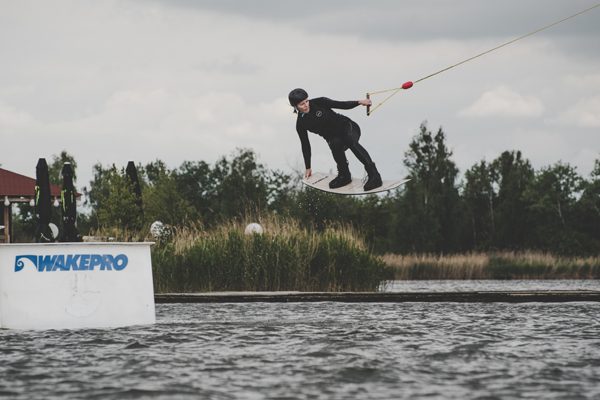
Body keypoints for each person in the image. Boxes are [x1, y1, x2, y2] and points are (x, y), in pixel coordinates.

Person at [289, 88, 382, 191]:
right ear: (295, 106)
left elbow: (341, 104)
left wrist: (359, 102)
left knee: (349, 139)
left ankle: (374, 175)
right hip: (334, 138)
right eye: (302, 104)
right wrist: (308, 167)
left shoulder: (319, 102)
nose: (306, 105)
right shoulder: (301, 124)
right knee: (334, 144)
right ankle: (344, 175)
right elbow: (305, 145)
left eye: (306, 101)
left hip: (347, 127)